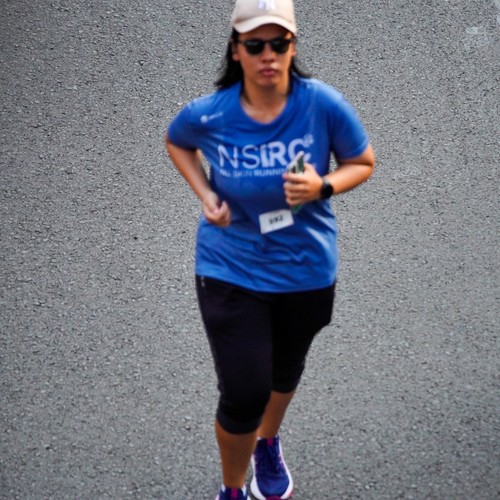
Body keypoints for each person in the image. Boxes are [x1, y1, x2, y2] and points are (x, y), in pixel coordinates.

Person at [165, 0, 375, 498]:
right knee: (244, 393)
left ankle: (268, 441)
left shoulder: (322, 104)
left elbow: (362, 161)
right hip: (230, 265)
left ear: (292, 47)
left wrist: (322, 186)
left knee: (284, 371)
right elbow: (177, 141)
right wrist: (206, 193)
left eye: (279, 43)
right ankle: (232, 490)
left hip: (305, 268)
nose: (268, 55)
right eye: (255, 44)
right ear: (236, 50)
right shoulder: (211, 113)